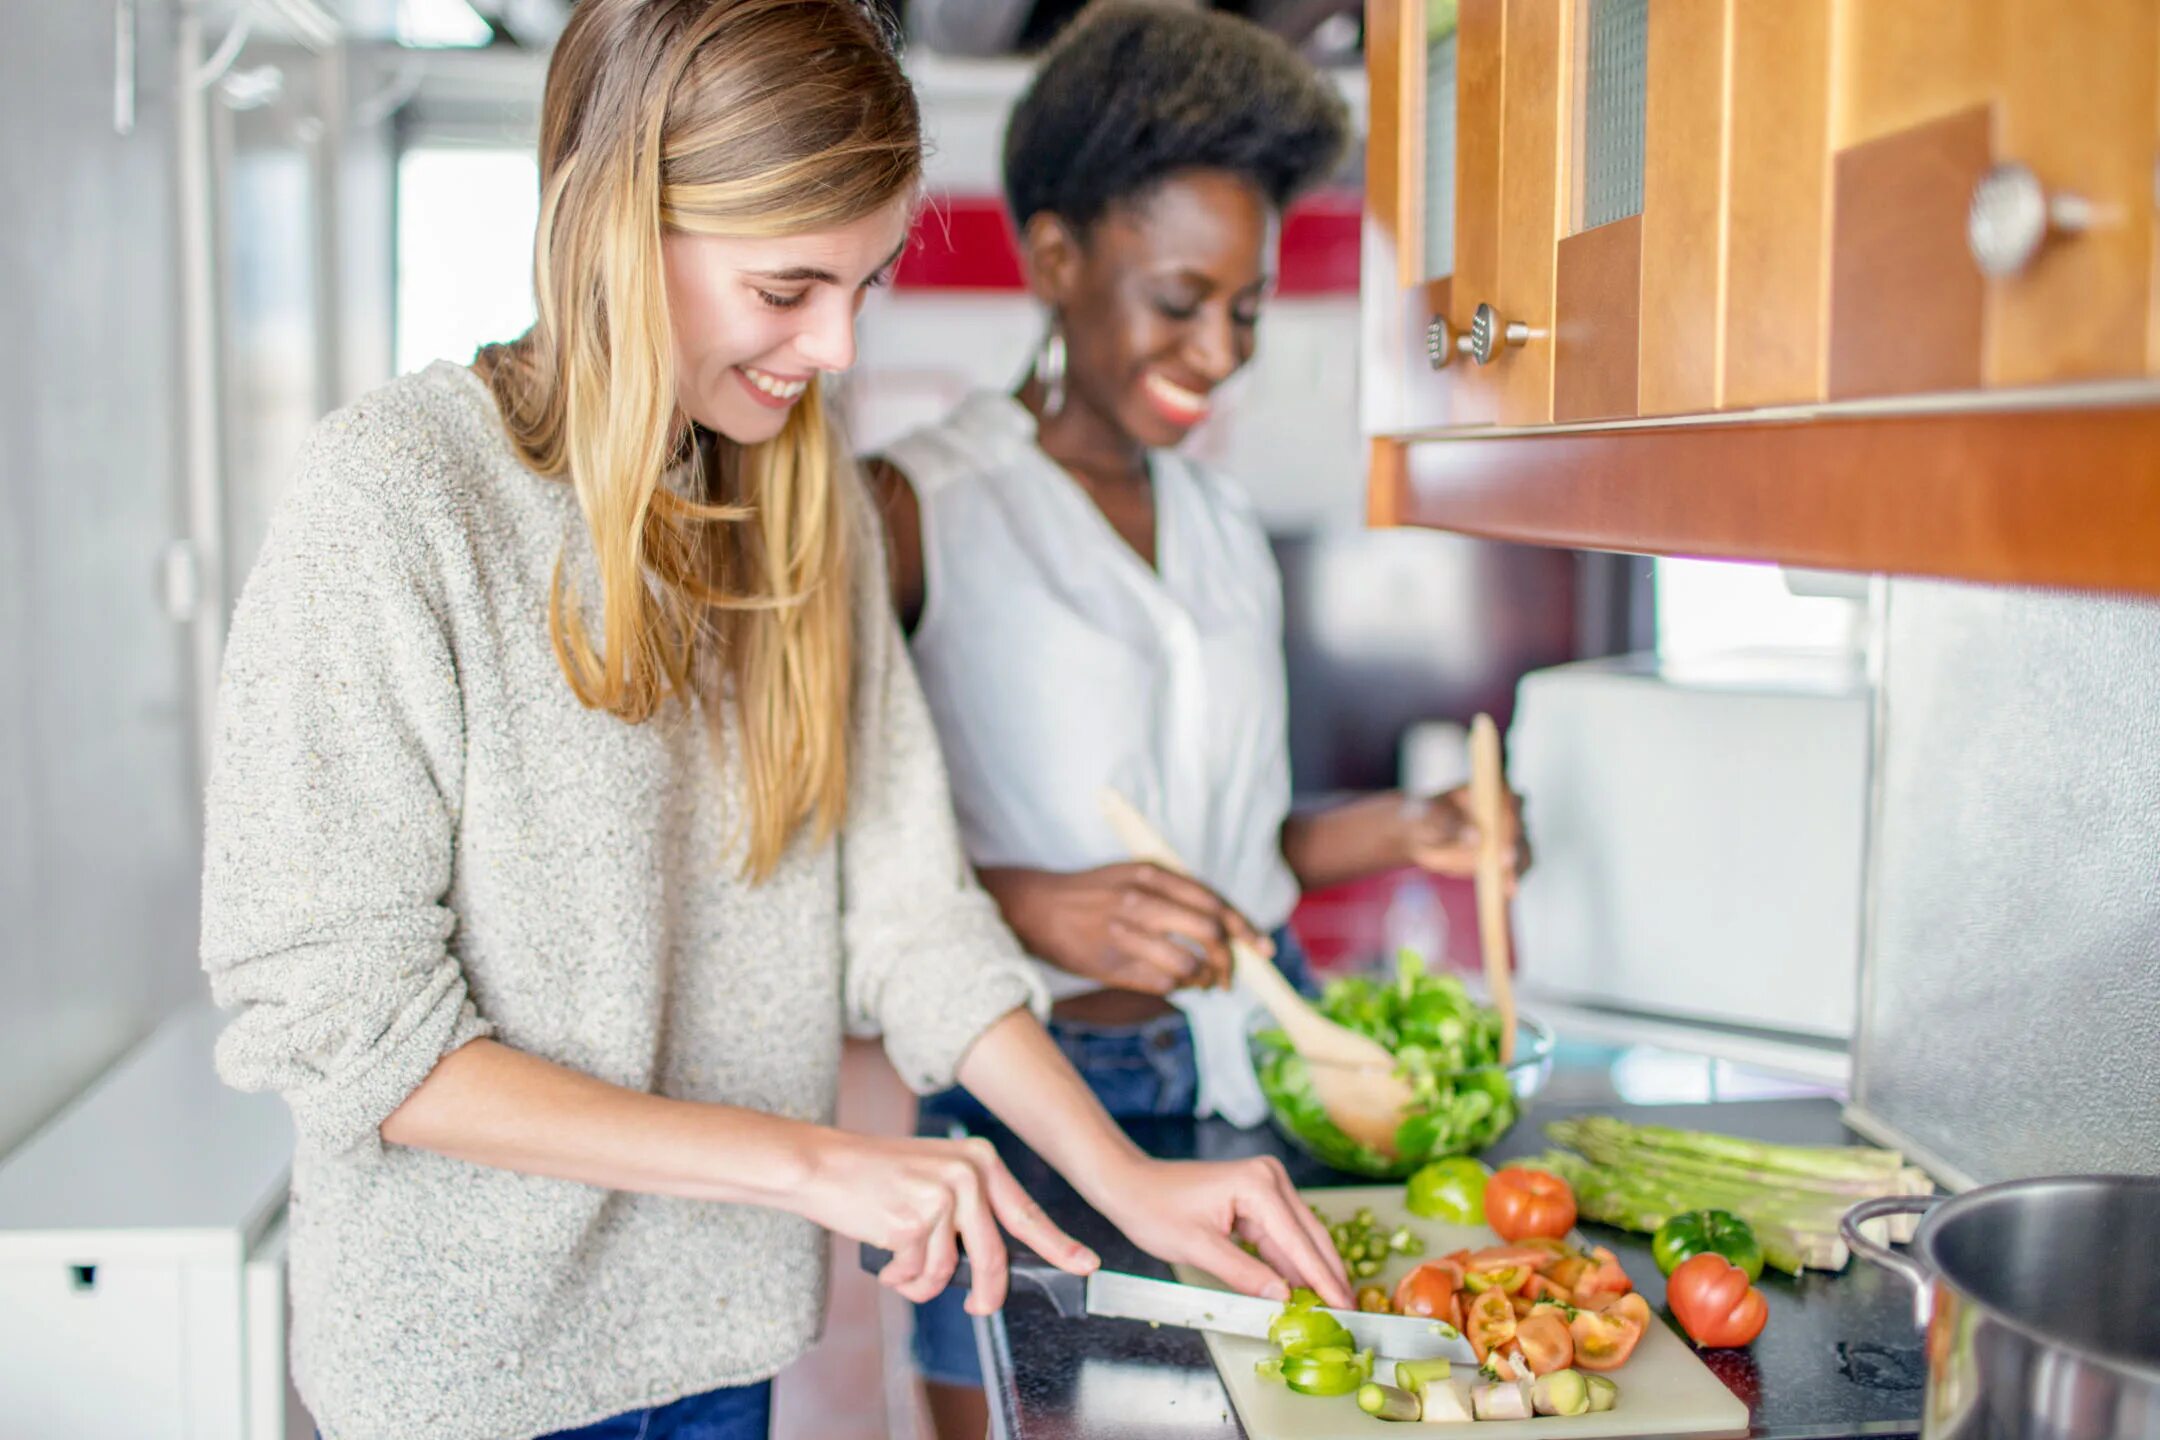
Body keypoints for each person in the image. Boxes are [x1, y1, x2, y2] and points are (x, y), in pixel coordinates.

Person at [196, 4, 1349, 1439]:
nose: (837, 342)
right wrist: (812, 1167)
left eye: (864, 283)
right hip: (464, 1368)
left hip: (719, 1339)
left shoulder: (802, 510)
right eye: (790, 286)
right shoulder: (400, 495)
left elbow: (912, 919)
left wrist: (1129, 1180)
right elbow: (351, 1030)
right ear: (622, 225)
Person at [865, 6, 1523, 1433]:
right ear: (1055, 258)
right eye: (1180, 300)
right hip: (1033, 1105)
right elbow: (821, 868)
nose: (1220, 351)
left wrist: (1417, 829)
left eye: (1248, 307)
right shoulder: (915, 508)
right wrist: (1031, 903)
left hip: (1241, 1073)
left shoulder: (1223, 524)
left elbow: (1235, 841)